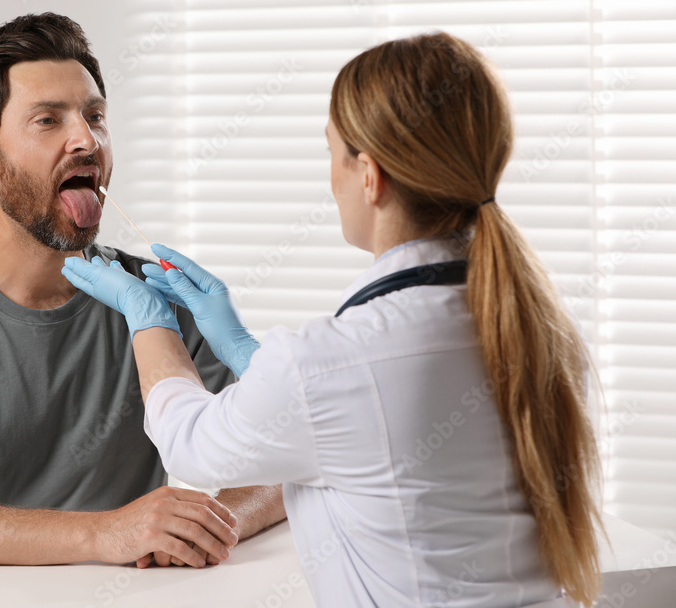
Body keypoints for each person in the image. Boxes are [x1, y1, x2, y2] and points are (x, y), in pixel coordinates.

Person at [63, 32, 603, 606]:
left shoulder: (339, 360)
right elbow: (361, 414)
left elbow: (192, 444)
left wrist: (148, 317)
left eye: (332, 152)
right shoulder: (538, 326)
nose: (332, 179)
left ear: (369, 175)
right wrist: (247, 352)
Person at [0, 12, 285, 569]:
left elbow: (286, 455)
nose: (86, 140)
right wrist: (104, 535)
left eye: (95, 116)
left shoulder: (152, 300)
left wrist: (210, 528)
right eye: (48, 120)